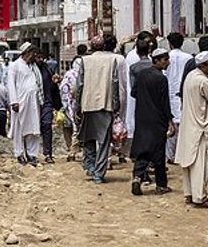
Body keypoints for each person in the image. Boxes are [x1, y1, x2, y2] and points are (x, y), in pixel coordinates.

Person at [77, 36, 127, 183]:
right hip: (106, 105)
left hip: (87, 104)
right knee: (104, 141)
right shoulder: (112, 61)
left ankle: (90, 166)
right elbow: (115, 83)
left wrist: (78, 106)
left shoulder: (84, 61)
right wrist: (116, 105)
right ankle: (99, 173)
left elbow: (79, 85)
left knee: (88, 138)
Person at [175, 51, 208, 207]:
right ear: (203, 65)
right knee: (200, 164)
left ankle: (189, 194)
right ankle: (200, 196)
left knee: (188, 163)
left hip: (189, 125)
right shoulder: (202, 81)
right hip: (200, 127)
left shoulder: (190, 76)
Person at [131, 49, 174, 196]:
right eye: (165, 59)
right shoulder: (161, 79)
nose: (167, 62)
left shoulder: (142, 75)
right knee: (158, 152)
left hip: (142, 117)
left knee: (143, 149)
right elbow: (165, 102)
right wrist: (170, 120)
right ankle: (161, 185)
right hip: (157, 120)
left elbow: (134, 92)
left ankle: (137, 177)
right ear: (157, 60)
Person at [7, 42, 44, 165]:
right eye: (33, 53)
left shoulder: (33, 66)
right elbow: (11, 84)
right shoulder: (15, 66)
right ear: (26, 53)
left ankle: (32, 154)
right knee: (19, 128)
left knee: (33, 128)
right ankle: (19, 153)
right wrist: (14, 101)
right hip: (20, 102)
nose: (34, 56)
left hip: (33, 102)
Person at [164, 32, 194, 162]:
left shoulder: (165, 57)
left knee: (171, 126)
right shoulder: (188, 58)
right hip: (184, 93)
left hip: (169, 92)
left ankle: (170, 155)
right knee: (184, 125)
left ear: (169, 44)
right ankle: (183, 153)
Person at [123, 32, 152, 161]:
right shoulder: (133, 58)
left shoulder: (149, 58)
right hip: (137, 95)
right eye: (147, 41)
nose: (150, 44)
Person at [59, 43, 89, 161]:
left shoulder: (69, 74)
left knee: (74, 128)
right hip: (81, 106)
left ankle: (72, 151)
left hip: (71, 106)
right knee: (79, 128)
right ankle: (76, 151)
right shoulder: (85, 74)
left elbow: (63, 89)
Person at [37, 45, 64, 163]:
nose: (40, 60)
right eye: (37, 57)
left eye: (41, 57)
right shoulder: (30, 70)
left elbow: (53, 86)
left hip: (47, 102)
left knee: (47, 126)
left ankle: (48, 153)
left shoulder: (47, 69)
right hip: (34, 103)